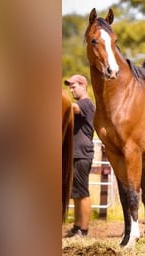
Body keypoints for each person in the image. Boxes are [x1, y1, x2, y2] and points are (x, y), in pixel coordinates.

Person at [63, 74, 95, 238]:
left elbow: (73, 109)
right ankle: (76, 227)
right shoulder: (83, 103)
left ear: (83, 86)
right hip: (76, 154)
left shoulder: (86, 104)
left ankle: (83, 230)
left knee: (82, 192)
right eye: (69, 87)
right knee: (76, 193)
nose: (71, 89)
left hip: (82, 153)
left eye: (74, 86)